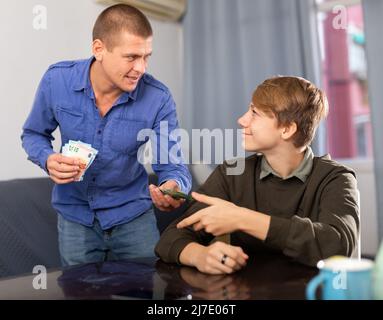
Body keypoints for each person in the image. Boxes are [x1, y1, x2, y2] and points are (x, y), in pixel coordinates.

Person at [21, 4, 191, 266]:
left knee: (147, 294)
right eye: (132, 57)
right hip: (75, 217)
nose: (141, 68)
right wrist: (47, 159)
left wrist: (173, 188)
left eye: (147, 56)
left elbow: (172, 165)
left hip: (134, 217)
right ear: (99, 49)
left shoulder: (159, 98)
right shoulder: (57, 81)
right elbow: (33, 134)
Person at [155, 76, 359, 275]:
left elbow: (337, 245)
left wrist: (242, 219)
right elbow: (171, 237)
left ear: (287, 129)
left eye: (254, 112)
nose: (242, 120)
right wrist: (200, 255)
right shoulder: (233, 173)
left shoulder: (335, 179)